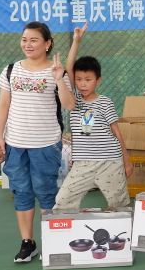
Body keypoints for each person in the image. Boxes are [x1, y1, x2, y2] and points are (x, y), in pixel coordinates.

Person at [0, 22, 74, 263]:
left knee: (46, 191)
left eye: (34, 40)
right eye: (24, 39)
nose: (27, 44)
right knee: (22, 192)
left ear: (47, 44)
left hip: (46, 144)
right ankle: (27, 243)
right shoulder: (11, 70)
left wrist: (59, 79)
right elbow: (3, 105)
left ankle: (52, 241)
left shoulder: (57, 71)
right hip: (15, 143)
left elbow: (69, 104)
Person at [53, 24, 133, 211]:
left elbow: (116, 132)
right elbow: (69, 67)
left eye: (88, 80)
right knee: (62, 201)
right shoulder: (74, 98)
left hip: (110, 161)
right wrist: (76, 41)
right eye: (79, 79)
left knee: (119, 205)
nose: (83, 84)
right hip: (83, 163)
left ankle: (120, 229)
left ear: (98, 80)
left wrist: (126, 161)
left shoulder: (105, 102)